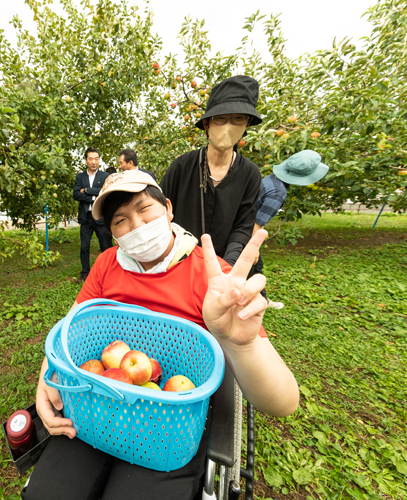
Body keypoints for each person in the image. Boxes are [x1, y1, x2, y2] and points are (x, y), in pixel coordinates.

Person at [23, 170, 299, 500]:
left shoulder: (215, 280)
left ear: (168, 208)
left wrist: (243, 343)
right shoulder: (107, 264)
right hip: (99, 406)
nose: (136, 226)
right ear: (112, 233)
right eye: (120, 220)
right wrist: (44, 384)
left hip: (169, 426)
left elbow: (284, 403)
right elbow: (69, 327)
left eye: (144, 209)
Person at [161, 75, 263, 266]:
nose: (228, 127)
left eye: (238, 119)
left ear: (247, 124)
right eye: (220, 119)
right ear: (207, 123)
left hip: (228, 266)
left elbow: (242, 227)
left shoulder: (250, 173)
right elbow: (161, 213)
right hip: (182, 266)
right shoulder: (182, 166)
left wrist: (227, 268)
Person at [251, 150, 329, 278]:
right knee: (254, 273)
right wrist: (253, 249)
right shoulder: (277, 193)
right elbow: (257, 223)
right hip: (244, 234)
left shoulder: (271, 179)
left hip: (239, 228)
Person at [73, 148, 113, 282]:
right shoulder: (80, 177)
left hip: (100, 217)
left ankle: (109, 273)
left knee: (106, 247)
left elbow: (105, 191)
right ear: (86, 160)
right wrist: (93, 198)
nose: (94, 162)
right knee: (84, 248)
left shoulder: (105, 176)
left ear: (99, 160)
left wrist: (86, 190)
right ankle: (85, 273)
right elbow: (76, 194)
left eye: (96, 159)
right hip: (86, 218)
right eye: (91, 159)